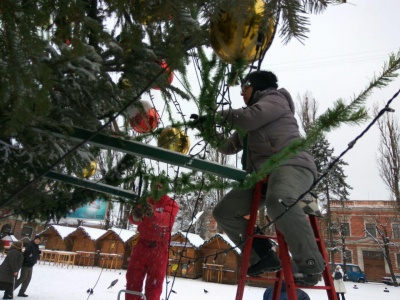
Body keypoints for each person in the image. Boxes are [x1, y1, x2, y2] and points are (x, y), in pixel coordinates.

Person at [211, 70, 326, 286]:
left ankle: (310, 265)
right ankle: (263, 255)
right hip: (263, 175)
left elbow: (247, 119)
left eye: (243, 89)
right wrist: (208, 130)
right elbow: (229, 146)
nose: (241, 94)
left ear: (256, 87)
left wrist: (218, 115)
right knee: (224, 212)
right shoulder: (252, 116)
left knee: (279, 199)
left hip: (291, 164)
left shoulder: (275, 99)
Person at [125, 182, 179, 300]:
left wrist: (153, 214)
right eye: (155, 185)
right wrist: (135, 216)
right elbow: (134, 219)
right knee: (133, 279)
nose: (157, 188)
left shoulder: (171, 203)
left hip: (159, 249)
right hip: (142, 244)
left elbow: (166, 221)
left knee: (154, 285)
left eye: (160, 185)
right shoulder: (145, 201)